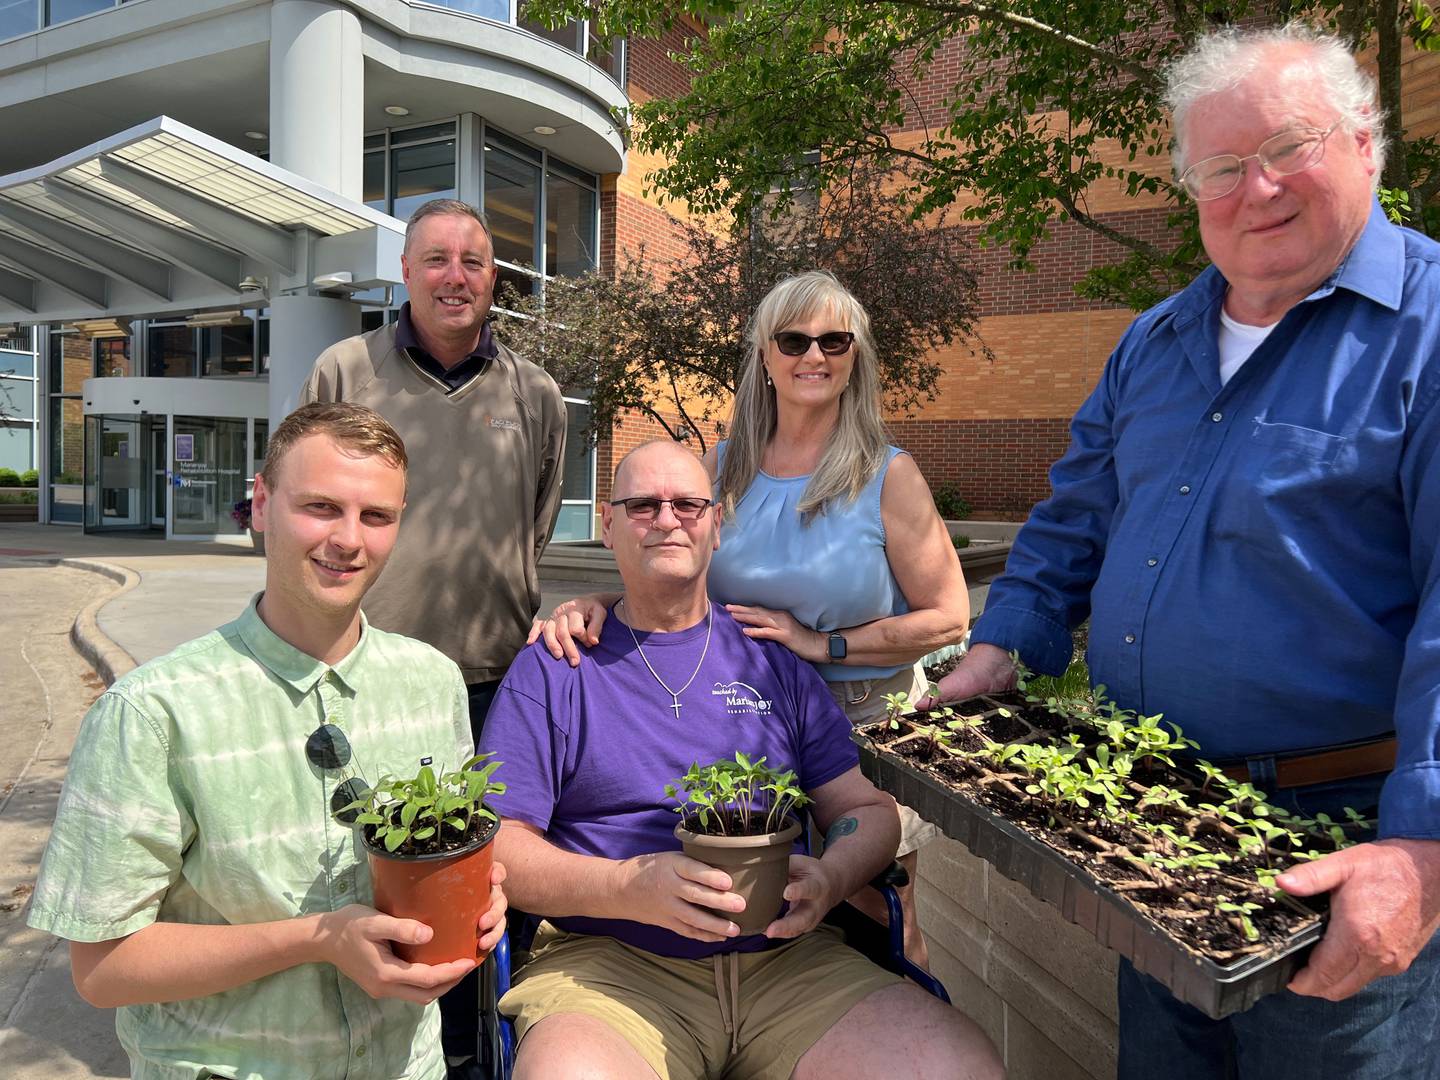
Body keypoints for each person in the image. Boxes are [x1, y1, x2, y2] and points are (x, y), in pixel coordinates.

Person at [924, 23, 1440, 1080]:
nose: (1258, 189)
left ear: (1366, 143)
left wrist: (1423, 848)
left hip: (1336, 843)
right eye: (1220, 167)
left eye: (1290, 147)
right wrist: (1000, 647)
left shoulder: (1428, 331)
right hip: (1149, 825)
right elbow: (1075, 518)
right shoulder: (1153, 343)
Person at [480, 439, 1002, 1080]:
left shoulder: (771, 658)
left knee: (958, 1068)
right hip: (609, 967)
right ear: (609, 524)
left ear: (716, 526)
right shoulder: (556, 665)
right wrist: (626, 887)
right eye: (643, 505)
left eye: (688, 505)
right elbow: (501, 847)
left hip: (788, 962)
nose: (667, 520)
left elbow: (864, 810)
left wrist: (832, 878)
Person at [26, 402, 508, 1080]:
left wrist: (483, 898)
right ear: (261, 502)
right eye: (320, 507)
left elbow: (451, 850)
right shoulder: (156, 710)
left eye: (376, 516)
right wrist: (316, 941)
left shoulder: (431, 682)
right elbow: (103, 969)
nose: (349, 539)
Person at [533, 270, 969, 965]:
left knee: (874, 909)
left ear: (855, 356)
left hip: (865, 720)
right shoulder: (725, 465)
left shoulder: (887, 475)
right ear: (764, 354)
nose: (814, 356)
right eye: (793, 340)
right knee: (754, 913)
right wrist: (603, 605)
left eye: (834, 340)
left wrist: (819, 643)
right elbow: (679, 565)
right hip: (746, 720)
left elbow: (948, 617)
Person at [302, 198, 565, 1072]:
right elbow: (311, 514)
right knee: (375, 887)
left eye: (476, 262)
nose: (457, 276)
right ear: (405, 273)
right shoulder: (347, 369)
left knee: (496, 898)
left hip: (498, 689)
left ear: (495, 280)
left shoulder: (534, 395)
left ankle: (482, 1053)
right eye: (438, 259)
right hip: (371, 683)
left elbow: (534, 525)